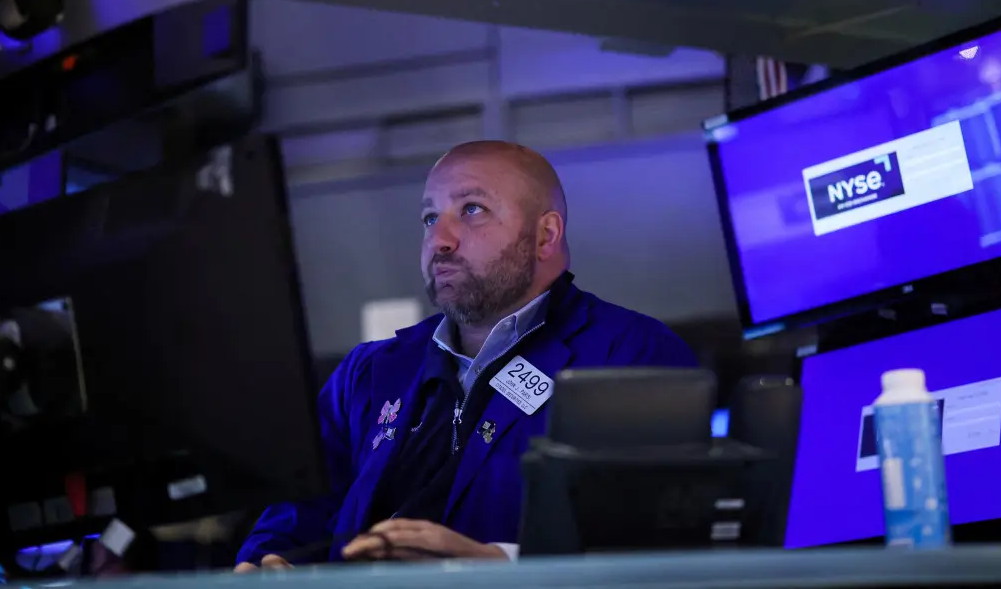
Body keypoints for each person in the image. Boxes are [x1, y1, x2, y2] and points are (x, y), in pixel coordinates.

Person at [235, 141, 697, 569]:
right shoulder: (369, 372)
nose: (441, 240)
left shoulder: (631, 356)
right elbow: (294, 517)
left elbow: (666, 545)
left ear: (545, 235)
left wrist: (500, 566)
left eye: (472, 210)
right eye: (430, 218)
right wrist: (265, 564)